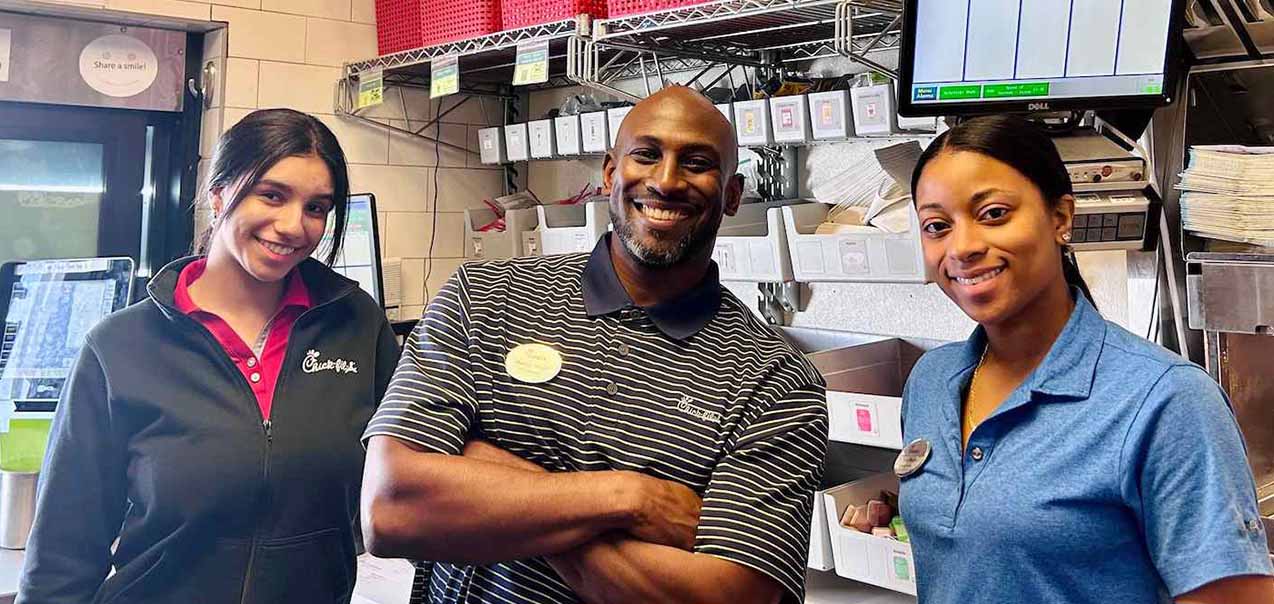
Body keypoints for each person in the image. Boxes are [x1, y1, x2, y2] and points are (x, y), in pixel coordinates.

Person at [360, 86, 828, 604]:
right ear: (610, 173)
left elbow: (730, 597)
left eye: (696, 163)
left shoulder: (775, 379)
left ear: (733, 195)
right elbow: (391, 507)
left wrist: (497, 494)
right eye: (646, 154)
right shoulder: (485, 298)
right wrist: (630, 499)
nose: (667, 181)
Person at [18, 109, 400, 604]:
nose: (293, 226)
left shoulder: (357, 326)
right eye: (272, 195)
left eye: (316, 208)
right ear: (218, 194)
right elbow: (62, 554)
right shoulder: (120, 347)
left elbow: (414, 469)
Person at [899, 114, 1274, 604]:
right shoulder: (932, 380)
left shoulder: (1165, 400)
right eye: (937, 226)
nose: (964, 247)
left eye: (993, 214)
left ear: (1061, 217)